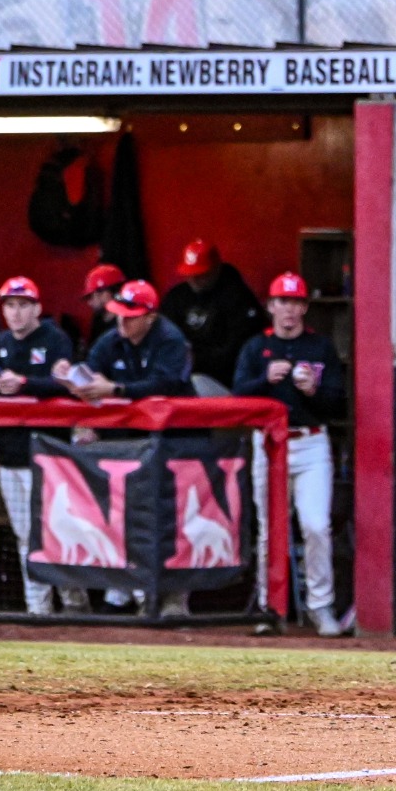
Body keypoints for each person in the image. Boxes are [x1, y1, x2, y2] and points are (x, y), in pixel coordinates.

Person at [234, 272, 349, 636]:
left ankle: (320, 607)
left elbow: (339, 402)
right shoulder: (256, 349)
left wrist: (314, 390)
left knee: (316, 526)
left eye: (296, 302)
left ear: (304, 308)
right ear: (271, 306)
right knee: (270, 530)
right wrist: (264, 380)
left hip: (311, 442)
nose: (289, 309)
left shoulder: (320, 348)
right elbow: (238, 398)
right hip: (268, 444)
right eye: (282, 302)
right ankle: (271, 608)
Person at [0, 277, 76, 614]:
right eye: (9, 305)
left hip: (51, 456)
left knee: (60, 532)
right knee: (25, 535)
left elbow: (67, 385)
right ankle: (37, 611)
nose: (15, 312)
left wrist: (25, 382)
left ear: (37, 308)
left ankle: (75, 604)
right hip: (11, 455)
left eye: (23, 305)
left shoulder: (55, 340)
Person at [159, 241, 263, 390]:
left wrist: (197, 359)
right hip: (179, 375)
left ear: (216, 269)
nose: (194, 279)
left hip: (224, 381)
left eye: (201, 274)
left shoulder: (237, 297)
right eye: (189, 274)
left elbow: (240, 350)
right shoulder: (176, 297)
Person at [72, 280, 194, 401]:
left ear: (150, 317)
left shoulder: (170, 339)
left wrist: (116, 390)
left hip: (171, 414)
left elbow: (162, 386)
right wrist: (72, 376)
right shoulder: (111, 339)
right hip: (128, 414)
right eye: (119, 314)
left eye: (130, 317)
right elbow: (91, 368)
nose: (122, 321)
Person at [78, 263, 124, 356]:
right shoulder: (98, 320)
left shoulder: (126, 321)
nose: (89, 302)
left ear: (105, 293)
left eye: (91, 296)